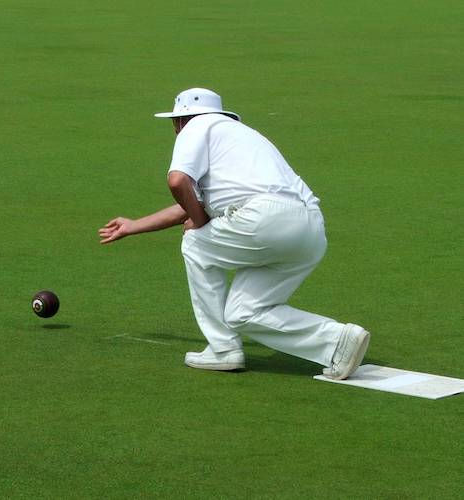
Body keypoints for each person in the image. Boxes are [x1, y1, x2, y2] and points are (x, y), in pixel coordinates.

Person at [99, 88, 370, 379]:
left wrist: (199, 220)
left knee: (195, 243)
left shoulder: (196, 126)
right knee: (243, 312)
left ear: (181, 121)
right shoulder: (241, 137)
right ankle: (337, 340)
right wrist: (135, 225)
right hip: (310, 230)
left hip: (263, 219)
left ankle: (223, 349)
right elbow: (190, 202)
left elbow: (178, 182)